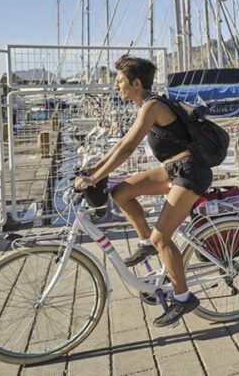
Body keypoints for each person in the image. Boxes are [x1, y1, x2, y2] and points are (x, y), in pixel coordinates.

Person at [74, 55, 211, 328]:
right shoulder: (145, 106)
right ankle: (146, 244)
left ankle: (183, 298)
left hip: (191, 172)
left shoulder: (153, 106)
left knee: (164, 238)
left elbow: (127, 149)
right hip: (174, 169)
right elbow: (122, 143)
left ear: (136, 83)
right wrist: (94, 170)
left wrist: (97, 177)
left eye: (120, 81)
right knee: (121, 193)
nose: (116, 87)